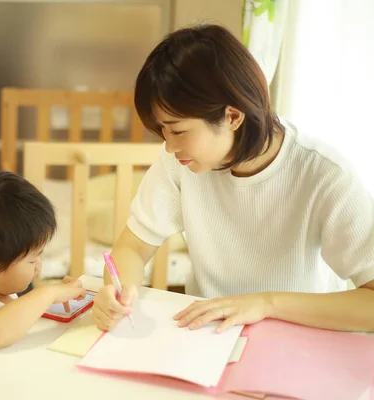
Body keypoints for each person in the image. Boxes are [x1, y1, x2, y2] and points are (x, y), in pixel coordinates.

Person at [91, 23, 374, 334]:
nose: (169, 146)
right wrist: (118, 291)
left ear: (233, 116)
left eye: (178, 130)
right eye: (162, 131)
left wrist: (266, 304)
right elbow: (132, 247)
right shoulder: (181, 162)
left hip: (299, 338)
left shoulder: (325, 174)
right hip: (210, 336)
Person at [0, 171, 87, 375]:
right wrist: (47, 294)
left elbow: (17, 319)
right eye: (32, 259)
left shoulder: (0, 291)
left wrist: (51, 301)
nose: (39, 264)